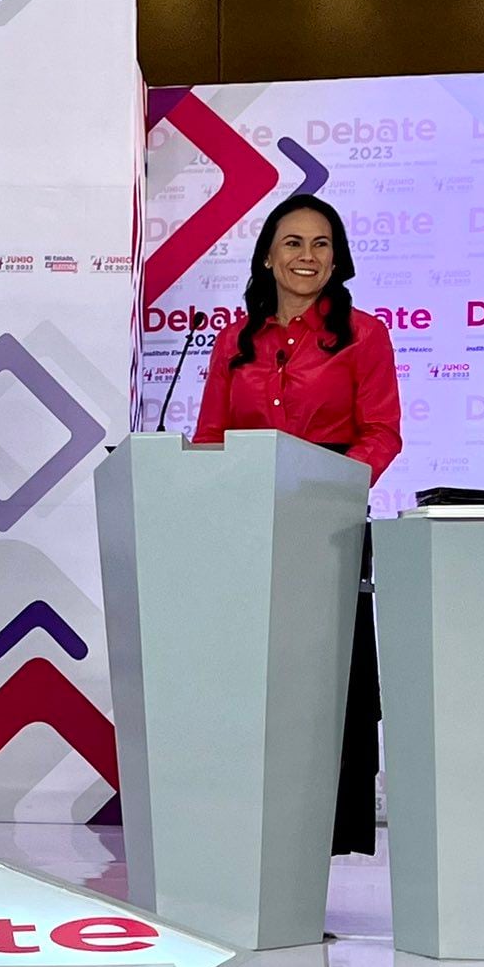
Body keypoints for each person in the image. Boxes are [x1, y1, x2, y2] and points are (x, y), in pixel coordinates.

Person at [190, 193, 401, 856]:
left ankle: (313, 847)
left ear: (338, 259)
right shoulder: (235, 338)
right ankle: (231, 835)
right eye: (292, 243)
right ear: (266, 255)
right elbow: (209, 436)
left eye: (321, 245)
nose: (306, 257)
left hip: (325, 533)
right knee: (244, 692)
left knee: (318, 698)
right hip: (244, 534)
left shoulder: (365, 335)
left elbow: (381, 435)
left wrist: (326, 494)